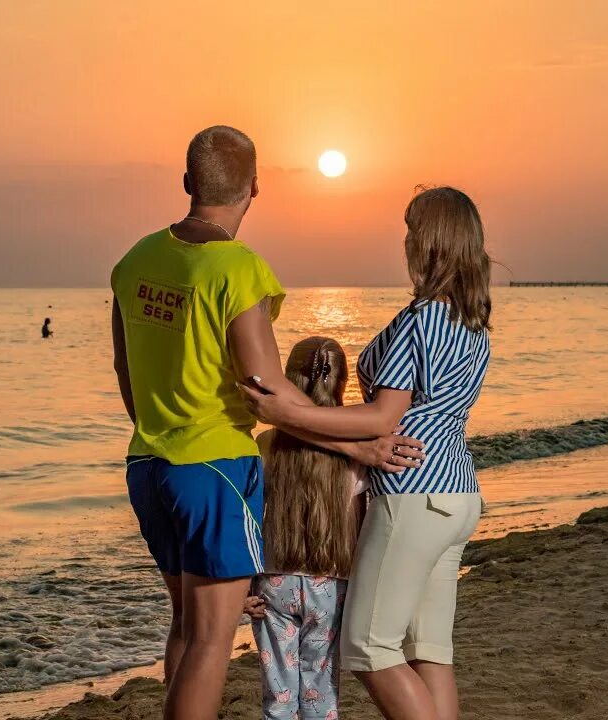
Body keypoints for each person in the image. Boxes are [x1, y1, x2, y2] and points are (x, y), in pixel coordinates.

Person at [110, 126, 424, 720]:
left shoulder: (134, 262)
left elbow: (125, 372)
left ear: (186, 183)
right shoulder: (237, 268)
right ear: (255, 187)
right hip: (215, 469)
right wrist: (354, 446)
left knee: (185, 628)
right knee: (210, 643)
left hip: (148, 465)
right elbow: (269, 392)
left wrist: (163, 429)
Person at [243, 186, 491, 720]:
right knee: (429, 651)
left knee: (369, 647)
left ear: (428, 241)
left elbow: (383, 419)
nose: (405, 241)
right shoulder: (473, 323)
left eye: (411, 229)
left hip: (415, 493)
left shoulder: (422, 317)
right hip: (459, 493)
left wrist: (287, 416)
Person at [251, 336, 365, 720]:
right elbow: (363, 525)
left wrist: (241, 582)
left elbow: (248, 522)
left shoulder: (266, 444)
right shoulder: (356, 450)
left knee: (278, 696)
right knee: (321, 690)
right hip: (331, 583)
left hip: (275, 578)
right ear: (342, 383)